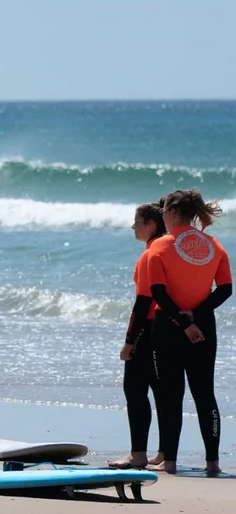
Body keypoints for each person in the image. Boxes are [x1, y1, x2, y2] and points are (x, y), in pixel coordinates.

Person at [146, 189, 231, 476]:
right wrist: (195, 316)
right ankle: (213, 463)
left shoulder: (158, 247)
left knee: (171, 395)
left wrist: (183, 322)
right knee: (204, 394)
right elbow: (226, 289)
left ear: (170, 213)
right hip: (204, 326)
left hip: (168, 326)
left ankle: (169, 461)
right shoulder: (214, 245)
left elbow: (157, 291)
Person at [108, 200, 166, 469]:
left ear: (151, 224)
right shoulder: (171, 249)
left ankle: (138, 454)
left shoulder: (150, 254)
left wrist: (129, 341)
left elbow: (143, 302)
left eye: (137, 222)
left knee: (134, 389)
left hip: (149, 326)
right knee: (163, 391)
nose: (133, 226)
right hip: (170, 328)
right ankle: (165, 453)